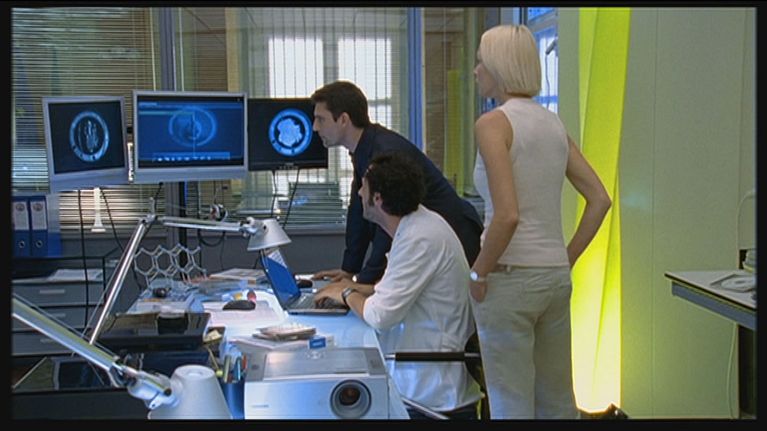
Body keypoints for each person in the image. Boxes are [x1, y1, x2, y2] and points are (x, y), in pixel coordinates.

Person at [468, 24, 612, 419]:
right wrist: (566, 258)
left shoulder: (493, 124)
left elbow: (507, 214)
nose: (476, 70)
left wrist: (478, 273)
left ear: (500, 66)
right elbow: (600, 199)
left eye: (481, 61)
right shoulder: (553, 124)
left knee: (510, 403)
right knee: (557, 402)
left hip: (509, 278)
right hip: (553, 278)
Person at [313, 153, 483, 419]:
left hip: (428, 391)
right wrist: (359, 288)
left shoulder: (419, 238)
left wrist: (345, 293)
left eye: (363, 187)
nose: (359, 193)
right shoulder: (420, 223)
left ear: (378, 199)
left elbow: (380, 316)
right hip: (422, 370)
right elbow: (401, 290)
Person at [309, 80, 483, 286]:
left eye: (320, 119)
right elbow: (358, 212)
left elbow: (388, 221)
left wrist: (363, 281)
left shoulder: (385, 153)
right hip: (432, 243)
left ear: (343, 119)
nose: (315, 127)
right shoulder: (364, 149)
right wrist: (349, 270)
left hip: (454, 240)